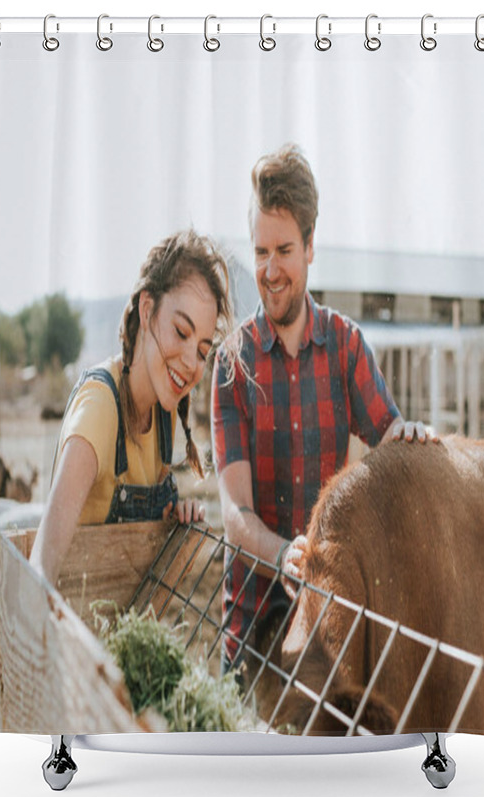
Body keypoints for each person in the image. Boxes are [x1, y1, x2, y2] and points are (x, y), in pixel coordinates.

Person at [211, 144, 437, 677]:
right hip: (251, 626)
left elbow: (389, 439)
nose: (269, 270)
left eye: (284, 250)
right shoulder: (231, 363)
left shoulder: (345, 347)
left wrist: (409, 436)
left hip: (326, 625)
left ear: (311, 246)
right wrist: (284, 553)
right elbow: (234, 514)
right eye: (260, 251)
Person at [30, 229, 235, 586]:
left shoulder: (162, 413)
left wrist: (173, 524)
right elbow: (41, 568)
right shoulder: (99, 408)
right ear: (147, 308)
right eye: (181, 331)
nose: (191, 362)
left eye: (203, 350)